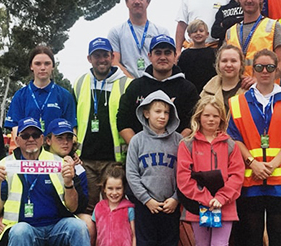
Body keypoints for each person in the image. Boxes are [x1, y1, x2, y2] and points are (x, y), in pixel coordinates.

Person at [226, 50, 281, 246]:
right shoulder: (237, 102)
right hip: (250, 178)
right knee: (252, 237)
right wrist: (253, 164)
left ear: (277, 69)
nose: (264, 72)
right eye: (259, 67)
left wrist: (272, 165)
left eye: (270, 67)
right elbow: (233, 138)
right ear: (254, 69)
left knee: (277, 236)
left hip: (280, 180)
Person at [0, 117, 89, 246]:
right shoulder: (4, 166)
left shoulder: (59, 163)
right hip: (24, 227)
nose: (31, 139)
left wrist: (69, 183)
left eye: (35, 135)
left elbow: (72, 207)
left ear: (41, 139)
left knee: (78, 226)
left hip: (56, 225)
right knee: (20, 231)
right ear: (17, 140)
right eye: (25, 136)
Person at [73, 37, 133, 220]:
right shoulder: (79, 83)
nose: (101, 59)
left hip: (113, 160)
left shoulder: (126, 83)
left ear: (112, 56)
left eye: (105, 55)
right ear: (89, 58)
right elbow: (73, 120)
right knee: (88, 209)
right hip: (86, 160)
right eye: (96, 55)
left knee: (115, 208)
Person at [177, 96, 244, 246]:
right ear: (199, 117)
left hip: (225, 205)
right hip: (198, 205)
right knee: (201, 244)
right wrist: (206, 198)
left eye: (215, 115)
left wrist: (221, 198)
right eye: (206, 115)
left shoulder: (231, 145)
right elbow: (184, 178)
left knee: (220, 244)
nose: (211, 119)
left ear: (221, 118)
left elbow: (237, 176)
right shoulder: (187, 144)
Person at [117, 34, 200, 142]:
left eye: (167, 52)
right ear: (149, 56)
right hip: (142, 154)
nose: (162, 57)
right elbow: (123, 120)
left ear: (175, 56)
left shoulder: (188, 89)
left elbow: (194, 121)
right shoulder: (136, 86)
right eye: (158, 53)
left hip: (177, 153)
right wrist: (138, 147)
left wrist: (176, 147)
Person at [125, 90, 182, 245]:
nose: (162, 116)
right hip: (145, 206)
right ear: (146, 113)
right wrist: (146, 199)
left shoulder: (179, 141)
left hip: (170, 205)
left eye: (166, 112)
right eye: (157, 111)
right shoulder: (137, 141)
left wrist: (176, 198)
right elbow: (131, 173)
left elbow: (185, 173)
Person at [222, 0, 281, 90]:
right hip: (236, 90)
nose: (249, 0)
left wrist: (259, 79)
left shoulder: (273, 26)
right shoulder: (230, 32)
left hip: (265, 91)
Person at [4, 45, 77, 145]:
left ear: (53, 67)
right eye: (38, 64)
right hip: (29, 155)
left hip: (56, 156)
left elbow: (72, 129)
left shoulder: (65, 96)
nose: (42, 68)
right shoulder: (20, 96)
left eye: (47, 63)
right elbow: (15, 130)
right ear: (31, 66)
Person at [42, 119, 92, 243]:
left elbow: (81, 206)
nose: (65, 142)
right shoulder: (36, 163)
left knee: (87, 222)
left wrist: (72, 176)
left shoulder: (78, 168)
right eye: (60, 138)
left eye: (69, 138)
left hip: (64, 220)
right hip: (37, 219)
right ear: (48, 140)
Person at [109, 0, 170, 78]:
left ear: (148, 1)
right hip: (128, 86)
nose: (137, 1)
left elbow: (167, 61)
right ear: (126, 2)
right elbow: (114, 61)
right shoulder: (116, 32)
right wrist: (133, 83)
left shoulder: (161, 32)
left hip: (155, 85)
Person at [91, 162, 135, 246]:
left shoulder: (129, 209)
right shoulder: (98, 208)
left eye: (118, 188)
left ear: (124, 188)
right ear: (104, 189)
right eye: (110, 188)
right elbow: (97, 235)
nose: (114, 193)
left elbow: (134, 236)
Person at [200, 44, 245, 111]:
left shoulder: (250, 91)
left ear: (241, 64)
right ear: (218, 64)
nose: (229, 65)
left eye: (233, 61)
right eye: (224, 61)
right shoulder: (206, 92)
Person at [179, 19, 219, 89]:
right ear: (189, 35)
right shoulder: (185, 54)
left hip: (210, 89)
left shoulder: (214, 53)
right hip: (191, 89)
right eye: (194, 31)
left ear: (207, 34)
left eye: (201, 31)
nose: (198, 33)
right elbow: (180, 73)